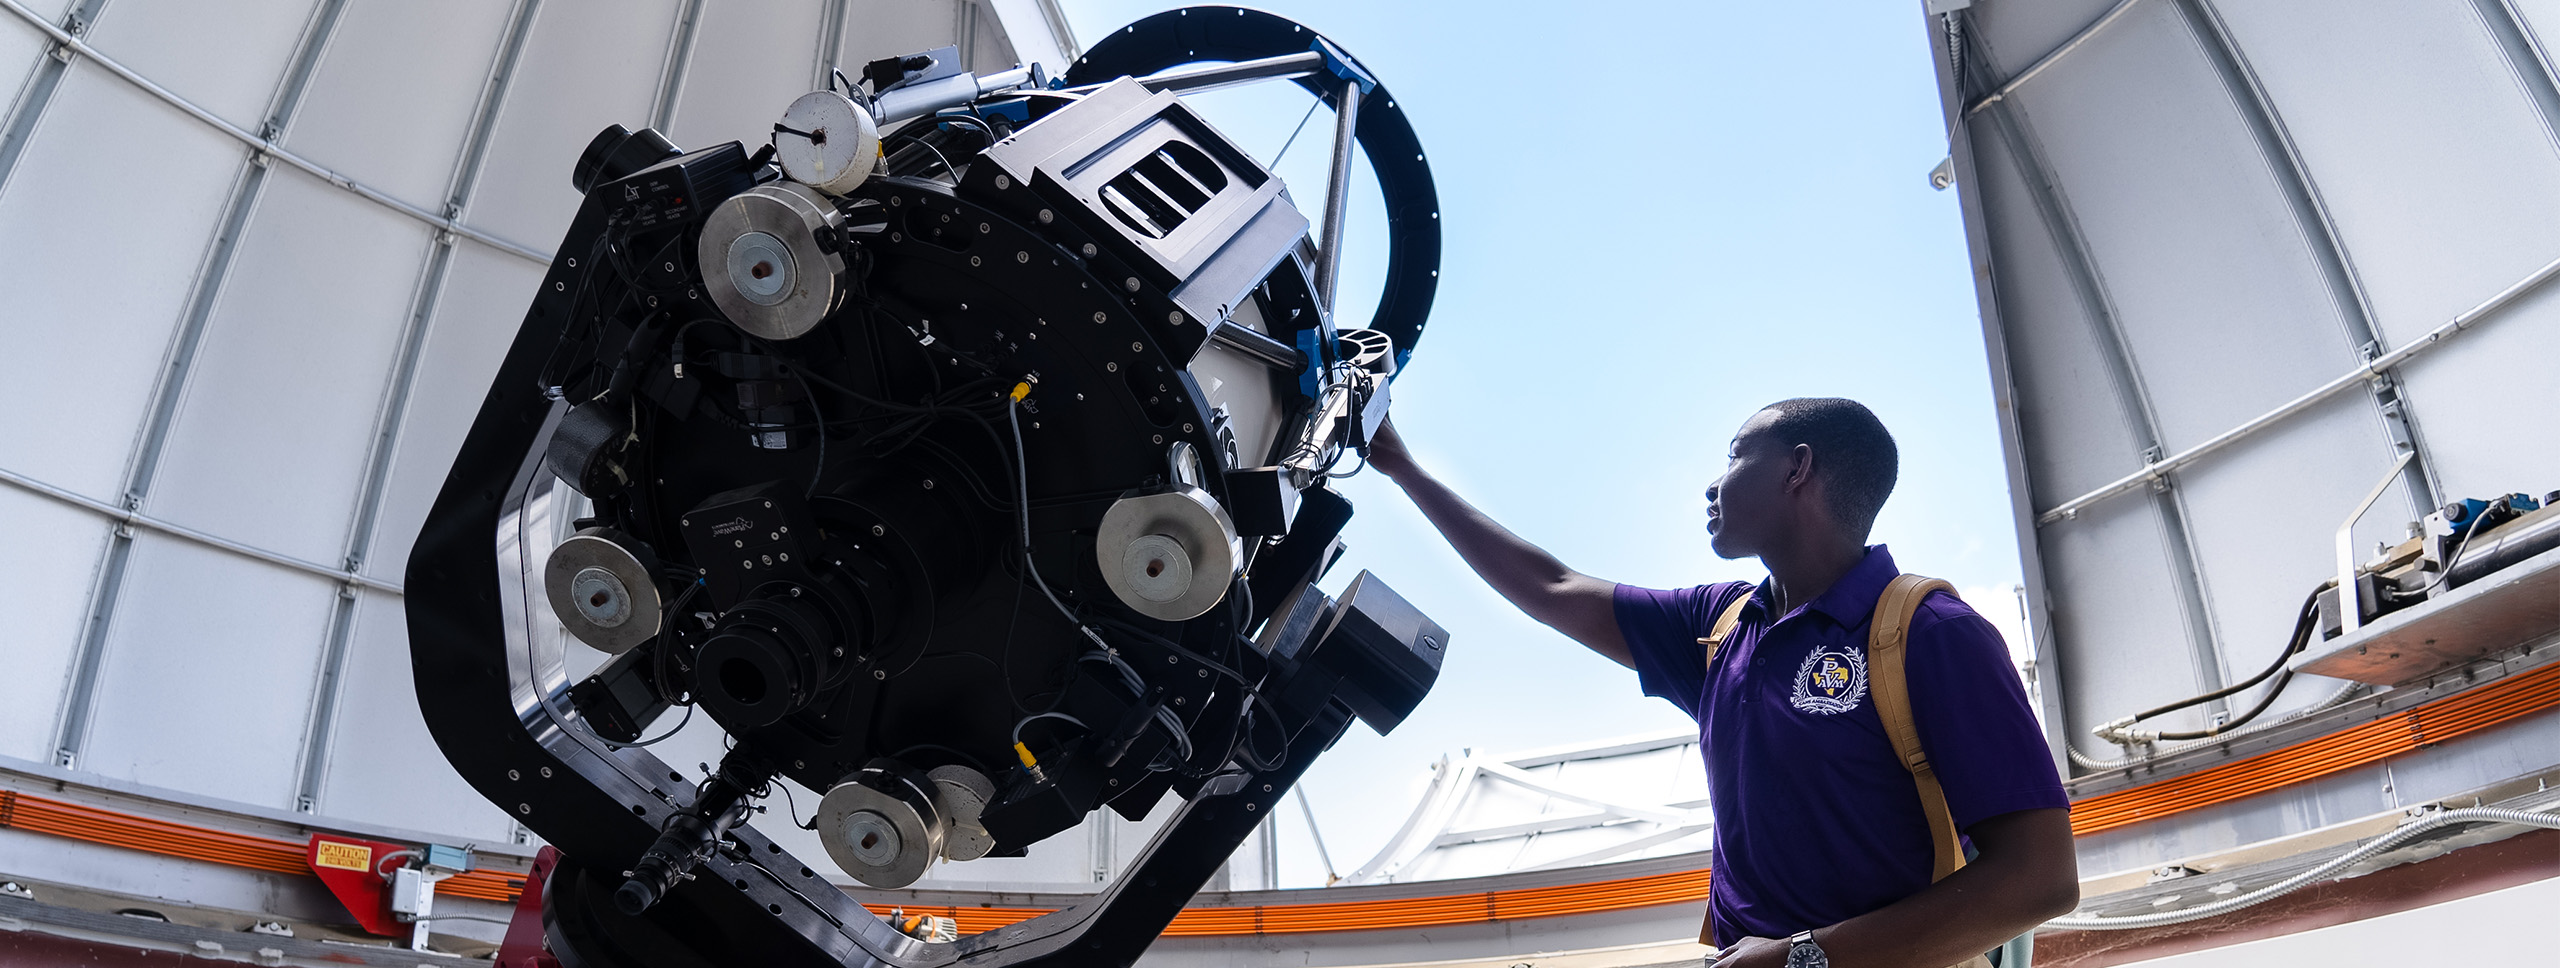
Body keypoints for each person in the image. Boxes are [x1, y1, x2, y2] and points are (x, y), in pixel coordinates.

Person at [1364, 398, 2078, 968]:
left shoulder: (1932, 633)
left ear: (1798, 469)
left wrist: (1805, 959)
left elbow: (2040, 879)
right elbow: (1553, 587)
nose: (1713, 481)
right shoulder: (1722, 624)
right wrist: (1402, 467)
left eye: (1736, 454)